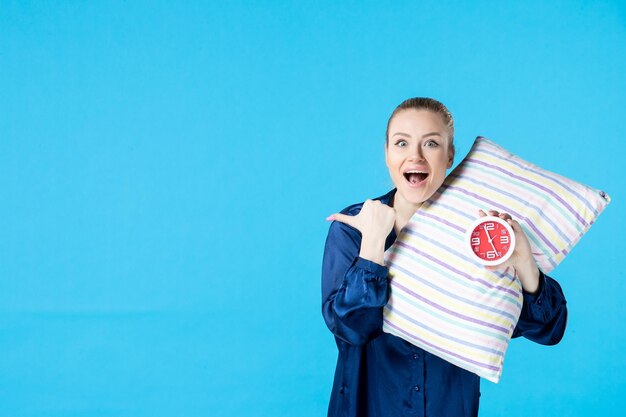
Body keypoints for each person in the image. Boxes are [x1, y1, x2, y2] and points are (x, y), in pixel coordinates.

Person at [321, 97, 568, 417]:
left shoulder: (480, 235)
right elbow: (351, 329)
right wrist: (372, 248)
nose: (415, 156)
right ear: (387, 153)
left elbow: (549, 330)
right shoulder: (354, 228)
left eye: (431, 143)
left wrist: (522, 262)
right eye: (401, 143)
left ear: (450, 155)